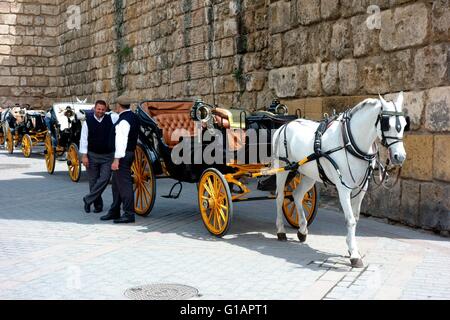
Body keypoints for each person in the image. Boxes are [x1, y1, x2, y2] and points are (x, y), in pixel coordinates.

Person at [100, 96, 139, 223]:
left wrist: (116, 160)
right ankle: (115, 210)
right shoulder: (132, 116)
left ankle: (128, 213)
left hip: (122, 155)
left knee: (124, 185)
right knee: (116, 184)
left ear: (119, 106)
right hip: (126, 153)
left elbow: (121, 141)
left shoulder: (124, 121)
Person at [80, 100, 118, 213]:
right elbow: (83, 139)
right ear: (94, 108)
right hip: (92, 155)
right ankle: (98, 205)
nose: (100, 111)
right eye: (98, 109)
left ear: (106, 110)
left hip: (107, 156)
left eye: (103, 109)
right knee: (93, 181)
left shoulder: (112, 118)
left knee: (105, 179)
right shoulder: (88, 122)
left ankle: (87, 199)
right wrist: (84, 156)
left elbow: (122, 115)